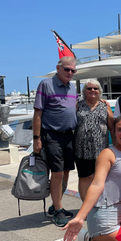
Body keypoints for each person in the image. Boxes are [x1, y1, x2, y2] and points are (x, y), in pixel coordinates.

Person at [33, 56, 77, 227]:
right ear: (58, 68)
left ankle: (55, 205)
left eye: (73, 70)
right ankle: (58, 210)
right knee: (57, 172)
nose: (70, 73)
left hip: (68, 135)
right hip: (51, 135)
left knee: (66, 171)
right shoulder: (46, 85)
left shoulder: (72, 88)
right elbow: (37, 113)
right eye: (67, 69)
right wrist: (36, 139)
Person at [74, 79, 113, 201]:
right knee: (85, 178)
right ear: (84, 91)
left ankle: (99, 203)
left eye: (95, 88)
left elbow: (111, 126)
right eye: (89, 88)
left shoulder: (104, 106)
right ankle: (86, 206)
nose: (92, 90)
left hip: (101, 149)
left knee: (100, 178)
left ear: (99, 91)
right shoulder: (78, 105)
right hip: (82, 149)